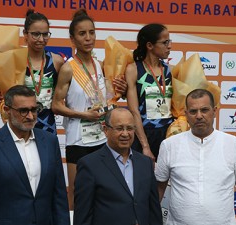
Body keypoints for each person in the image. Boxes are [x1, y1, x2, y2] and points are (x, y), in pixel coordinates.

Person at [52, 9, 126, 210]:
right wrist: (84, 114)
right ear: (72, 39)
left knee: (104, 191)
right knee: (77, 193)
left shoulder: (101, 66)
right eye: (82, 34)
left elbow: (110, 98)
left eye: (91, 32)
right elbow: (56, 105)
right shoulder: (68, 68)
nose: (88, 38)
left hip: (103, 139)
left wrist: (121, 90)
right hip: (78, 140)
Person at [0, 85, 70, 225]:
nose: (30, 116)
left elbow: (59, 195)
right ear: (7, 110)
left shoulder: (50, 141)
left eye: (34, 110)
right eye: (23, 111)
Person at [155, 89, 236, 225]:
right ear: (186, 114)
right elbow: (159, 187)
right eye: (193, 111)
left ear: (214, 111)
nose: (199, 116)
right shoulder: (169, 145)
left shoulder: (234, 144)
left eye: (204, 110)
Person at [73, 108, 162, 225]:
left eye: (130, 128)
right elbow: (82, 216)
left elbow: (154, 211)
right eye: (119, 128)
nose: (125, 134)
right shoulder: (89, 165)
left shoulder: (145, 163)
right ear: (105, 130)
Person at [0, 9, 64, 134]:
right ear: (25, 34)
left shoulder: (57, 61)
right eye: (35, 34)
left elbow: (66, 93)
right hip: (20, 124)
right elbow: (4, 92)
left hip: (48, 126)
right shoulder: (14, 60)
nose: (41, 39)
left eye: (45, 34)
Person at [125, 23, 174, 161]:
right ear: (149, 45)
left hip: (168, 135)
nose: (169, 46)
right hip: (144, 134)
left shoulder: (171, 70)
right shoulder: (134, 70)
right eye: (165, 42)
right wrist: (145, 146)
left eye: (169, 41)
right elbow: (134, 111)